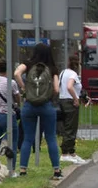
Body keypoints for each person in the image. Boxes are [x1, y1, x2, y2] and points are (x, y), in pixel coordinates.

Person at [14, 42, 62, 179]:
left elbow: (17, 73)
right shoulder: (52, 68)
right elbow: (57, 89)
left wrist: (24, 88)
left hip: (29, 105)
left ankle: (23, 169)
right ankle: (56, 170)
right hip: (46, 106)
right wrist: (49, 95)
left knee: (27, 139)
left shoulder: (28, 64)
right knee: (51, 138)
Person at [58, 53, 85, 164]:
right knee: (71, 128)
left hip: (62, 100)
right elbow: (69, 86)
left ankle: (72, 152)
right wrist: (76, 99)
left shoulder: (63, 72)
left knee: (66, 127)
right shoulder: (73, 74)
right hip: (70, 102)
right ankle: (65, 153)